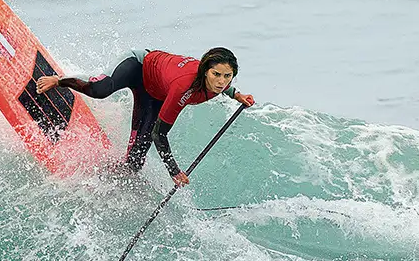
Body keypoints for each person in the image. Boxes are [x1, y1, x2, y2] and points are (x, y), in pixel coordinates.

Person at [36, 47, 255, 186]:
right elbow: (159, 134)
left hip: (154, 93)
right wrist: (174, 172)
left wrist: (236, 94)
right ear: (205, 70)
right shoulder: (184, 87)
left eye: (227, 77)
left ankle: (108, 180)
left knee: (134, 162)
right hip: (138, 65)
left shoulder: (218, 84)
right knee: (101, 89)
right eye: (216, 74)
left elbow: (223, 87)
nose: (221, 81)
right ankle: (59, 79)